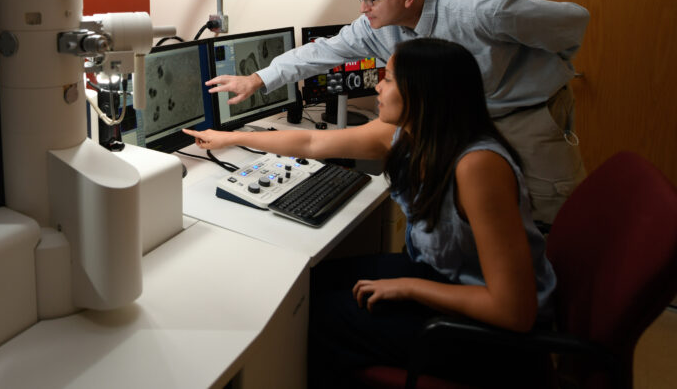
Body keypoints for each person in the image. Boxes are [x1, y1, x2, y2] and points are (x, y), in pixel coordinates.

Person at [185, 38, 556, 386]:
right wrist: (231, 137)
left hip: (493, 337)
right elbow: (312, 141)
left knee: (318, 318)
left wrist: (410, 288)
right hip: (445, 279)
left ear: (423, 93)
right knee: (310, 283)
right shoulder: (409, 133)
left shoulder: (477, 166)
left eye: (390, 79)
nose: (378, 86)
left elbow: (513, 311)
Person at [205, 0, 589, 226]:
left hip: (525, 110)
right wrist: (258, 79)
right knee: (477, 212)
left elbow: (572, 24)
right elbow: (324, 51)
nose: (363, 9)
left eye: (371, 0)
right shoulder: (379, 27)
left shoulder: (485, 11)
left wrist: (545, 72)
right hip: (459, 121)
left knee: (545, 210)